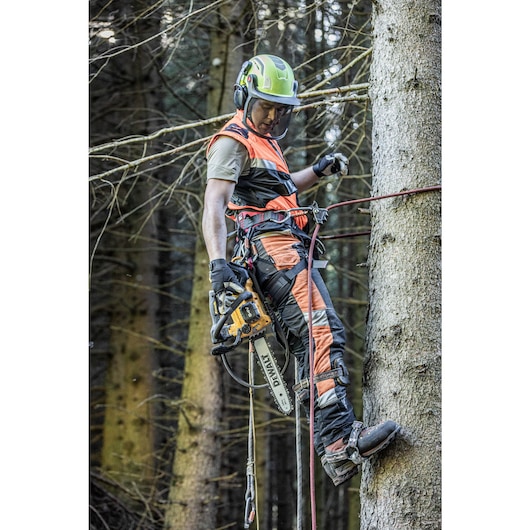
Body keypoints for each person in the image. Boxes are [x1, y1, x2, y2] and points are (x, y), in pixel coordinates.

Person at [202, 54, 399, 486]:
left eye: (280, 110)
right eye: (264, 107)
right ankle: (338, 442)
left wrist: (318, 171)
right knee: (320, 331)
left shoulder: (265, 145)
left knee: (317, 334)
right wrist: (220, 267)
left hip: (288, 247)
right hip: (273, 251)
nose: (272, 117)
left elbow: (280, 188)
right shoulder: (233, 141)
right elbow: (214, 204)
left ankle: (335, 444)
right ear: (243, 99)